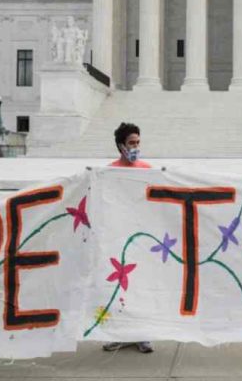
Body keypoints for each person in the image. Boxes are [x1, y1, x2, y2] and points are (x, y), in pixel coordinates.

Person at [103, 122, 153, 353]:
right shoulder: (109, 171)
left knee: (142, 285)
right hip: (118, 234)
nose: (135, 147)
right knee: (119, 286)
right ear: (121, 146)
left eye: (138, 143)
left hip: (142, 235)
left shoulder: (147, 169)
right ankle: (119, 333)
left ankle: (142, 334)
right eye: (131, 143)